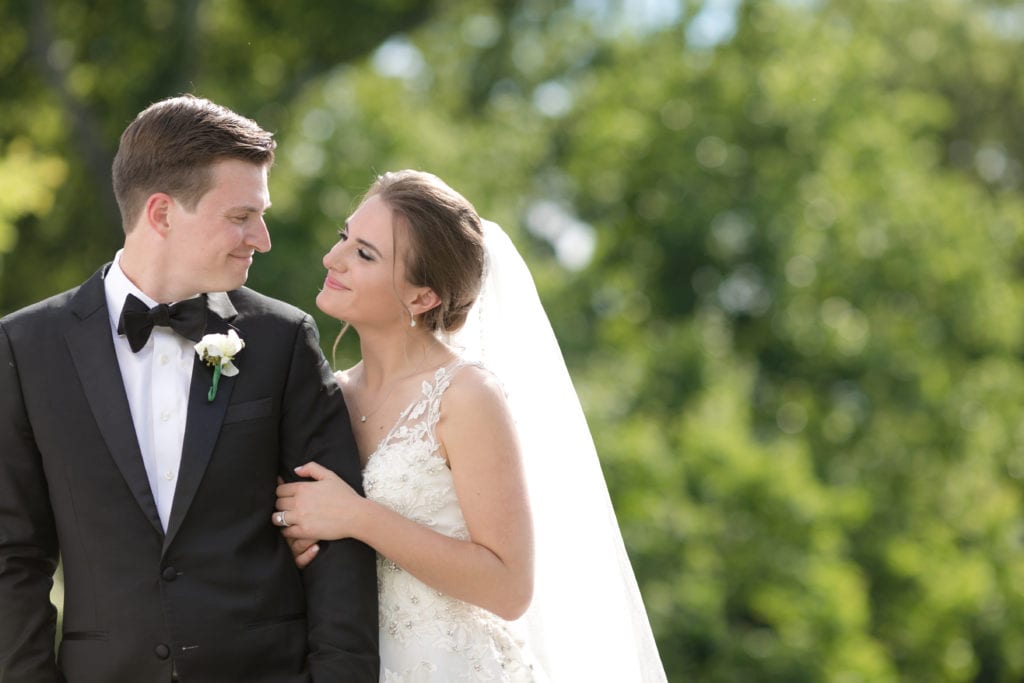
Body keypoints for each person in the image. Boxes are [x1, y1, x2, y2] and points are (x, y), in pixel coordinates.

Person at [0, 94, 379, 682]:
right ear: (161, 214)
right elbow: (12, 553)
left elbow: (339, 543)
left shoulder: (282, 340)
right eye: (240, 216)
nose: (262, 238)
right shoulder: (25, 347)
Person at [273, 170, 667, 681]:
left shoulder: (465, 396)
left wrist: (357, 517)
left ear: (422, 297)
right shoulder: (328, 394)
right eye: (343, 237)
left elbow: (509, 587)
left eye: (365, 255)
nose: (333, 259)